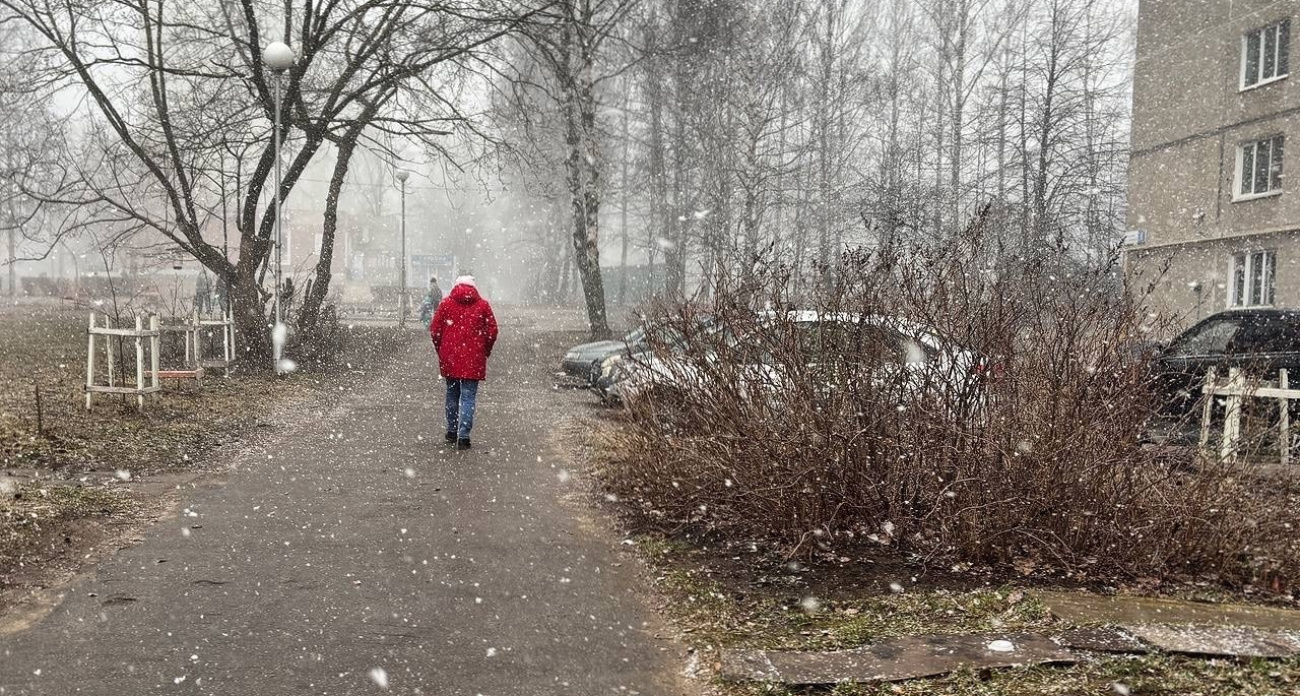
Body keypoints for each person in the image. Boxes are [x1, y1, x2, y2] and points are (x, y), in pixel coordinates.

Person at [429, 275, 498, 450]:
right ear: (474, 288)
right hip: (473, 359)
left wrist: (442, 350)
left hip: (450, 358)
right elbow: (492, 331)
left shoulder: (445, 304)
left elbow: (435, 331)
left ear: (456, 286)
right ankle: (464, 436)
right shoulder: (483, 306)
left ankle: (451, 431)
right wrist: (484, 350)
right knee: (468, 397)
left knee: (452, 394)